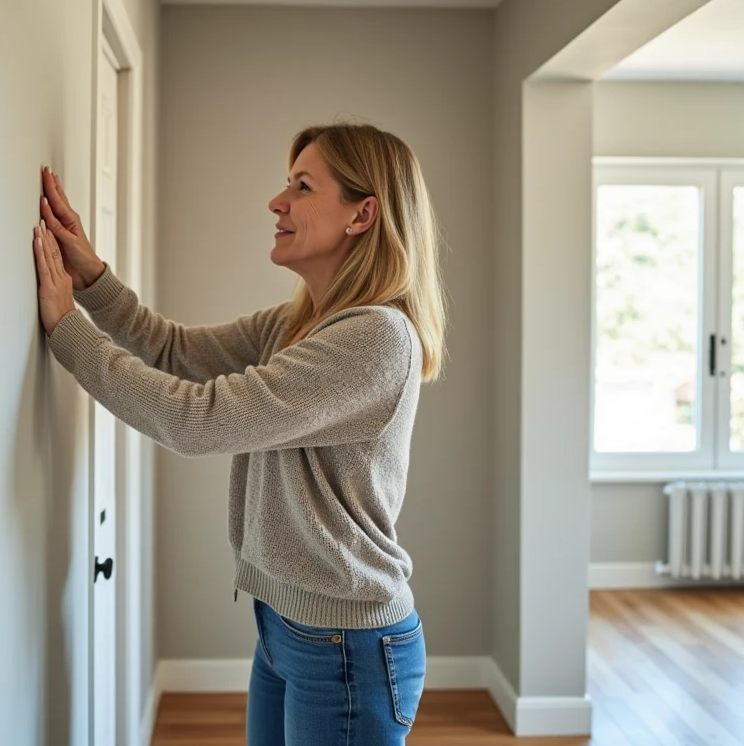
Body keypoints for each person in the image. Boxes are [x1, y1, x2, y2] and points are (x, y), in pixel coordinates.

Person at [32, 123, 445, 745]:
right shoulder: (300, 322)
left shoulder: (376, 339)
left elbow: (196, 420)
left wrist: (68, 329)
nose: (277, 202)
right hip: (284, 627)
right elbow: (173, 349)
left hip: (345, 650)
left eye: (302, 187)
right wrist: (91, 280)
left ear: (362, 216)